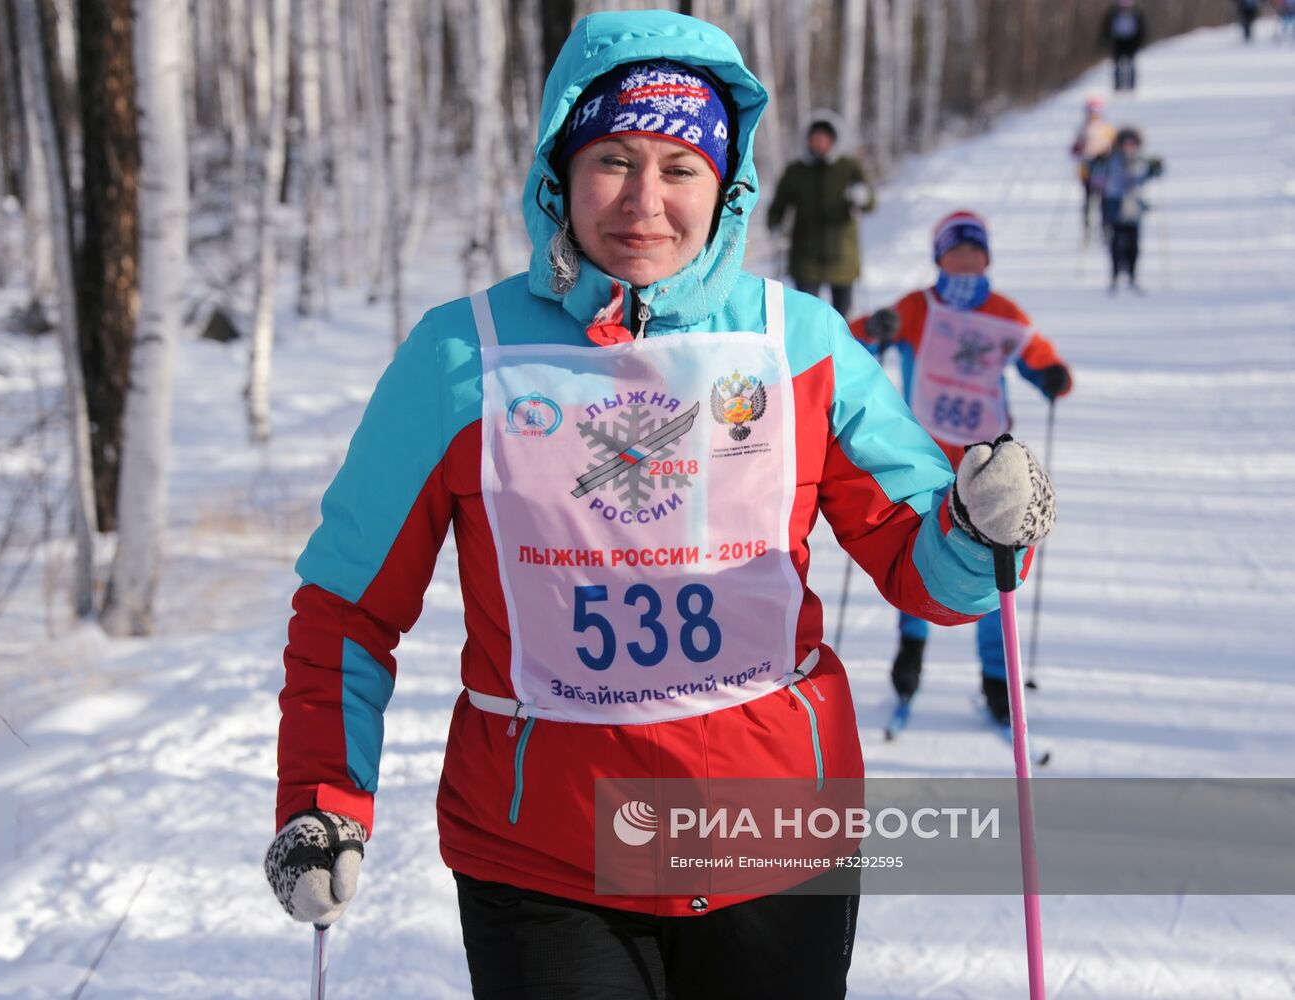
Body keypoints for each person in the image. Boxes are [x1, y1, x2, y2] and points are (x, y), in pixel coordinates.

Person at [263, 12, 1055, 999]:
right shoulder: (460, 358)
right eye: (613, 160)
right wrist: (323, 798)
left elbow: (922, 564)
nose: (645, 202)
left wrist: (977, 530)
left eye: (680, 168)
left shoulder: (797, 345)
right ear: (560, 170)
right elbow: (346, 604)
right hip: (545, 856)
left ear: (726, 187)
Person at [848, 211, 1072, 725]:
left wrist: (1052, 375)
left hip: (990, 465)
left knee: (993, 568)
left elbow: (1037, 356)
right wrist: (875, 330)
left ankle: (996, 678)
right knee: (920, 557)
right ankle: (910, 655)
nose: (966, 261)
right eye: (956, 251)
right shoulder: (918, 307)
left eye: (974, 252)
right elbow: (856, 344)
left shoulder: (1002, 313)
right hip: (925, 457)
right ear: (940, 258)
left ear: (986, 258)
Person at [767, 110, 876, 317]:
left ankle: (839, 339)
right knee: (806, 314)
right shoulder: (796, 170)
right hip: (805, 258)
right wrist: (776, 227)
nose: (819, 143)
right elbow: (777, 207)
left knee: (842, 316)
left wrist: (863, 197)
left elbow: (870, 204)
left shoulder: (849, 167)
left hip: (843, 256)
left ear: (833, 140)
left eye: (823, 139)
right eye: (815, 138)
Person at [1089, 126, 1164, 292]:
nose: (1129, 147)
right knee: (1116, 243)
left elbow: (1141, 180)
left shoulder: (1140, 161)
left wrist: (1153, 171)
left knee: (1133, 245)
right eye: (1126, 143)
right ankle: (1115, 276)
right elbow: (1098, 181)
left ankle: (1132, 276)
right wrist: (1095, 166)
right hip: (1114, 204)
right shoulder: (1110, 160)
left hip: (1133, 206)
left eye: (1132, 144)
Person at [1070, 96, 1116, 238]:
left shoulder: (1107, 129)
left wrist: (1106, 155)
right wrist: (1078, 150)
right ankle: (1087, 228)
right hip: (1086, 170)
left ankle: (1105, 227)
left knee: (1103, 200)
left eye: (1095, 112)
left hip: (1103, 170)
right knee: (1088, 200)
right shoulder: (1082, 129)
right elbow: (1074, 147)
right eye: (1090, 112)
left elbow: (1115, 148)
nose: (1093, 115)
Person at [1100, 0, 1147, 91]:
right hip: (1118, 42)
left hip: (1131, 42)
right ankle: (1117, 85)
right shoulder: (1112, 14)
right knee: (1117, 64)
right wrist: (1107, 41)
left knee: (1131, 64)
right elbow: (1107, 28)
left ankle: (1131, 85)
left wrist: (1139, 42)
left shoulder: (1136, 14)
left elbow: (1141, 30)